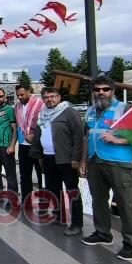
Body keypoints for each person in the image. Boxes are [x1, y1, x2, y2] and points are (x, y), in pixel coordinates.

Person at [79, 75, 132, 261]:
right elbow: (87, 137)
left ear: (112, 91)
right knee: (98, 200)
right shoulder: (90, 110)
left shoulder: (124, 109)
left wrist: (119, 140)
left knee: (125, 204)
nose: (101, 92)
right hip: (95, 161)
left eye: (105, 89)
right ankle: (102, 233)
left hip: (119, 163)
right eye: (97, 89)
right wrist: (83, 161)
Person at [30, 87, 84, 235]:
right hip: (48, 157)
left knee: (72, 191)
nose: (50, 99)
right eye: (46, 97)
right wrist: (40, 155)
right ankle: (59, 216)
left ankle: (77, 224)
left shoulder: (68, 111)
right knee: (54, 189)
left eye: (53, 96)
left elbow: (79, 135)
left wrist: (76, 158)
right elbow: (39, 135)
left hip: (66, 158)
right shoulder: (43, 114)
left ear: (59, 97)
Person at [14, 84, 45, 210]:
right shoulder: (17, 107)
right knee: (24, 175)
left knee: (41, 175)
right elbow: (18, 125)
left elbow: (45, 124)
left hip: (38, 145)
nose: (20, 97)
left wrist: (35, 136)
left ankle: (43, 203)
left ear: (29, 92)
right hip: (23, 145)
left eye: (22, 94)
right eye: (18, 96)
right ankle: (26, 202)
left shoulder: (41, 104)